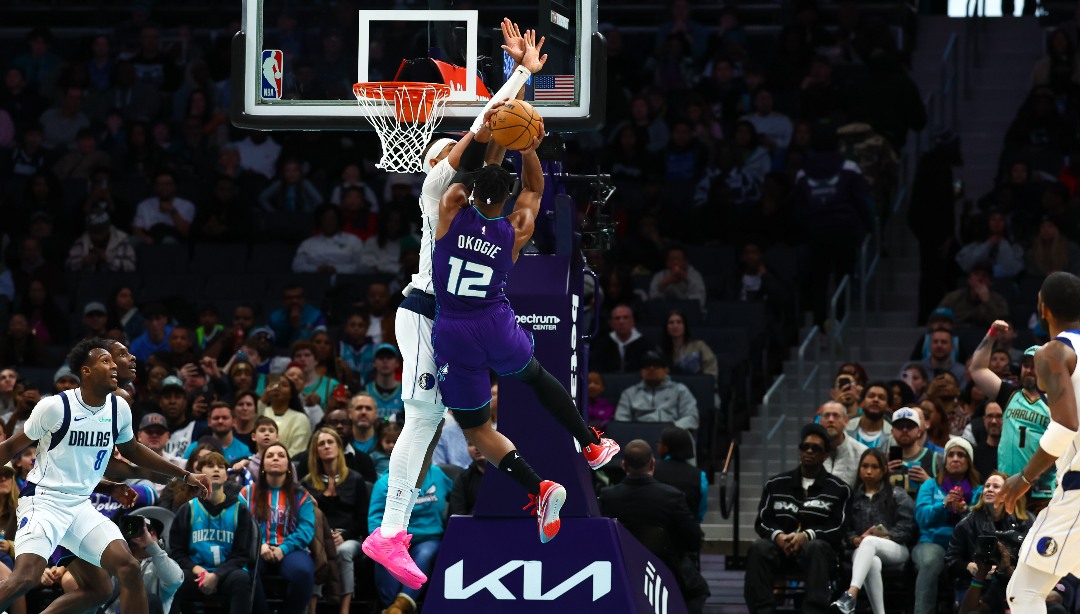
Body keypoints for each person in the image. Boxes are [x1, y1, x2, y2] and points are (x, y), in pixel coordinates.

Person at [363, 25, 618, 594]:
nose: (444, 150)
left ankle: (401, 530)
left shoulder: (459, 198)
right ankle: (391, 534)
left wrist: (517, 90)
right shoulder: (440, 184)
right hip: (430, 315)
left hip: (444, 318)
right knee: (429, 419)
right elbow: (488, 129)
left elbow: (492, 137)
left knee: (455, 422)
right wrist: (522, 74)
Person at [0, 337, 210, 613]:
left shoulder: (118, 409)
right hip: (43, 502)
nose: (115, 365)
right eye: (106, 360)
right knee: (26, 577)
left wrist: (184, 475)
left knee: (118, 575)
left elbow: (132, 450)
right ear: (86, 371)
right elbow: (11, 447)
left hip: (80, 505)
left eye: (115, 360)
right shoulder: (55, 407)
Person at [994, 272, 1080, 611]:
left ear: (1042, 307)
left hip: (1077, 493)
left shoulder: (1053, 352)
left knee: (1024, 592)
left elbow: (1065, 425)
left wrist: (1025, 477)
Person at [744, 424, 851, 614]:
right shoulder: (776, 484)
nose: (809, 451)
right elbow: (762, 521)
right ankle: (762, 611)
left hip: (819, 555)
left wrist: (808, 535)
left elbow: (839, 527)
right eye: (805, 447)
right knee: (758, 548)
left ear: (825, 455)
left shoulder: (839, 489)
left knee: (815, 546)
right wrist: (778, 536)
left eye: (816, 448)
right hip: (780, 549)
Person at [600, 439, 708, 613]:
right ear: (652, 463)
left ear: (624, 465)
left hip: (622, 571)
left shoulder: (607, 497)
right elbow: (694, 539)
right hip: (669, 571)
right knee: (698, 590)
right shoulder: (672, 497)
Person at [831, 449, 916, 614]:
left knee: (870, 542)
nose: (869, 471)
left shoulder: (897, 494)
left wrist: (887, 535)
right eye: (865, 466)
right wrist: (855, 540)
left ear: (884, 469)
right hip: (861, 549)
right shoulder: (851, 498)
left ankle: (851, 594)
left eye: (874, 467)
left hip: (895, 548)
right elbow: (843, 530)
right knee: (872, 561)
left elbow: (907, 527)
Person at [169, 451, 254, 614]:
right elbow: (178, 553)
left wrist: (217, 576)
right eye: (210, 465)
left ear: (226, 475)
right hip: (196, 572)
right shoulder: (188, 509)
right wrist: (199, 571)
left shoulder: (240, 510)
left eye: (221, 467)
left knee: (241, 579)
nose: (216, 470)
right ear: (199, 474)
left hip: (228, 574)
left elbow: (241, 555)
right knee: (174, 578)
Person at [241, 443, 316, 614]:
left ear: (289, 466)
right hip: (255, 550)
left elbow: (306, 528)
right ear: (262, 465)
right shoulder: (247, 493)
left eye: (281, 455)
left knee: (303, 572)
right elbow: (240, 526)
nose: (275, 458)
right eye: (270, 455)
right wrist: (259, 546)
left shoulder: (301, 495)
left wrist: (284, 548)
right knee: (244, 571)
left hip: (291, 550)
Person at [301, 428, 368, 614]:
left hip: (349, 537)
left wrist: (344, 536)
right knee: (315, 552)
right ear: (316, 452)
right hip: (318, 536)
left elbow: (363, 520)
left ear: (339, 447)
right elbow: (304, 519)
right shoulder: (307, 482)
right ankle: (311, 609)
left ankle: (344, 609)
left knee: (344, 552)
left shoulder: (356, 479)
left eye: (330, 442)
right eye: (321, 444)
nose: (326, 446)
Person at [913, 437, 982, 614]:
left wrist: (965, 511)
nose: (955, 458)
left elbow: (982, 524)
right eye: (951, 455)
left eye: (961, 455)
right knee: (929, 562)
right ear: (945, 461)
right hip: (931, 542)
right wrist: (943, 504)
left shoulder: (978, 490)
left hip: (965, 548)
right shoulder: (930, 485)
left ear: (969, 461)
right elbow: (921, 517)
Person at [945, 471, 1031, 583]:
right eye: (987, 486)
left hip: (1011, 582)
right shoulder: (967, 523)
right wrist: (969, 566)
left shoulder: (1024, 521)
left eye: (996, 487)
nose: (989, 489)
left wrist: (1007, 569)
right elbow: (950, 560)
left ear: (1008, 493)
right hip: (975, 582)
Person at [614, 350, 700, 430]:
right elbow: (621, 421)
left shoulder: (680, 390)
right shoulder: (629, 393)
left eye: (657, 365)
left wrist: (672, 429)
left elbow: (692, 418)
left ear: (666, 369)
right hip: (640, 438)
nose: (651, 369)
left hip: (672, 435)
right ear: (641, 371)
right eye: (647, 366)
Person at [654, 426, 708, 522]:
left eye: (660, 443)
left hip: (657, 531)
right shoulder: (700, 475)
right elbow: (700, 511)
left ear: (666, 448)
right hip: (687, 532)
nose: (657, 446)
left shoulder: (651, 469)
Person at [888, 407, 942, 499]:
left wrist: (928, 481)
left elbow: (948, 496)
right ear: (892, 432)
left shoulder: (935, 458)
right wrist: (882, 476)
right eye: (900, 426)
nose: (905, 430)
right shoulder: (883, 460)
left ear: (919, 431)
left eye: (910, 426)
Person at [819, 400, 868, 487]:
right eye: (827, 415)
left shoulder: (862, 452)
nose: (831, 420)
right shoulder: (812, 451)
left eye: (836, 416)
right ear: (821, 421)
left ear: (846, 421)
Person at [659, 309, 718, 379]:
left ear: (685, 326)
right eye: (671, 323)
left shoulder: (699, 346)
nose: (675, 326)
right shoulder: (660, 350)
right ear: (666, 328)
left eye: (679, 322)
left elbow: (711, 369)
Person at [847, 382, 893, 451]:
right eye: (871, 396)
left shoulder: (893, 435)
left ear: (888, 406)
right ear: (862, 403)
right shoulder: (845, 428)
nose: (876, 400)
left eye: (881, 398)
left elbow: (895, 461)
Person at [973, 401, 1003, 480]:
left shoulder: (1014, 453)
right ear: (984, 420)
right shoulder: (975, 455)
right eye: (990, 416)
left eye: (999, 416)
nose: (994, 421)